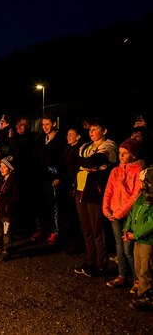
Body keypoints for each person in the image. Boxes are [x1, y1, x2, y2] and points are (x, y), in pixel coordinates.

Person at [74, 119, 117, 277]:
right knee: (86, 229)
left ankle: (101, 264)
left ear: (104, 130)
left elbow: (96, 160)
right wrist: (87, 165)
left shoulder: (109, 145)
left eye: (95, 128)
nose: (91, 132)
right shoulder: (85, 146)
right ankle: (90, 260)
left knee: (97, 229)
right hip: (81, 190)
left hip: (95, 192)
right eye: (90, 129)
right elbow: (75, 162)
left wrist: (86, 164)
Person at [103, 138, 144, 289]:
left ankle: (138, 279)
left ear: (133, 155)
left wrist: (120, 212)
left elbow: (135, 195)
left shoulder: (138, 171)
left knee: (128, 249)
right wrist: (106, 209)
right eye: (120, 153)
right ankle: (122, 275)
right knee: (119, 246)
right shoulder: (116, 170)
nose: (121, 156)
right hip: (114, 214)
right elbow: (109, 191)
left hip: (128, 215)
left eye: (125, 153)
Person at [123, 167, 153, 311]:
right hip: (138, 239)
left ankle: (146, 297)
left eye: (143, 181)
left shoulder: (151, 200)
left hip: (148, 241)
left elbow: (151, 223)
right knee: (139, 266)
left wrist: (137, 234)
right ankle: (142, 293)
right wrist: (127, 229)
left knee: (146, 269)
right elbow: (132, 214)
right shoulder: (141, 197)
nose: (140, 184)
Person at [35, 114, 66, 244]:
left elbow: (64, 160)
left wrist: (59, 176)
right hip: (42, 176)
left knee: (54, 206)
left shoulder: (61, 139)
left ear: (54, 124)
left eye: (47, 124)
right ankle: (42, 229)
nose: (45, 127)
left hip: (54, 177)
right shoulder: (42, 138)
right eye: (43, 124)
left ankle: (55, 231)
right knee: (41, 204)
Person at [0, 156, 18, 261]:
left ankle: (6, 251)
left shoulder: (13, 182)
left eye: (4, 167)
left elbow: (15, 198)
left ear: (10, 169)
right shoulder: (1, 179)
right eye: (0, 167)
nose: (1, 169)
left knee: (7, 233)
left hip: (7, 213)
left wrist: (0, 197)